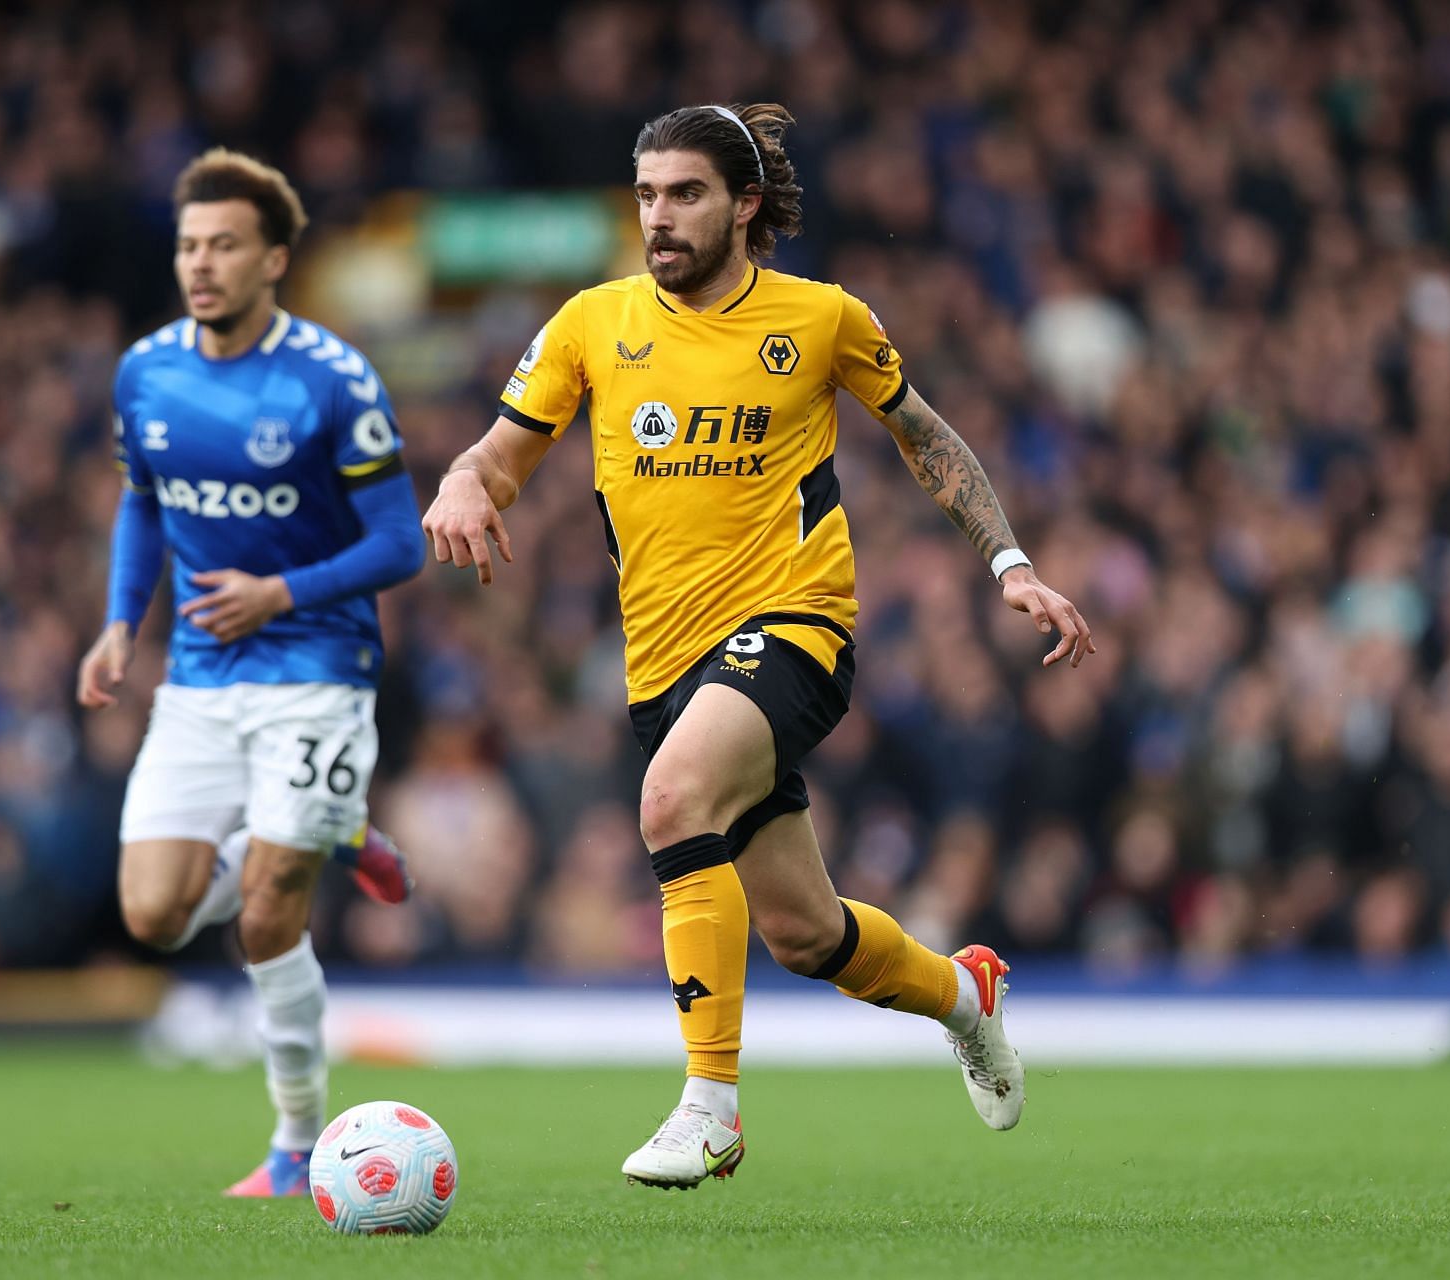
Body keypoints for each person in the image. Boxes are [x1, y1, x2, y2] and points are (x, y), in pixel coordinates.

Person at [422, 104, 1096, 1189]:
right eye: (645, 195)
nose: (659, 217)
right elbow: (498, 460)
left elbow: (925, 435)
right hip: (664, 662)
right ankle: (966, 996)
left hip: (794, 628)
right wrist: (460, 480)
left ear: (743, 204)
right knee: (804, 933)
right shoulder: (593, 323)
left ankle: (710, 1107)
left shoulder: (821, 319)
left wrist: (1009, 563)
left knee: (669, 799)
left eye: (684, 193)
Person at [76, 149, 425, 1196]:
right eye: (190, 244)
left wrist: (283, 592)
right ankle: (335, 827)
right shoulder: (146, 371)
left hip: (318, 666)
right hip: (198, 679)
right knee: (153, 915)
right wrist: (116, 624)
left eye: (225, 244)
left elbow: (401, 542)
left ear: (274, 257)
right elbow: (144, 500)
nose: (202, 263)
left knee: (269, 907)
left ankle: (296, 1144)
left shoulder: (332, 378)